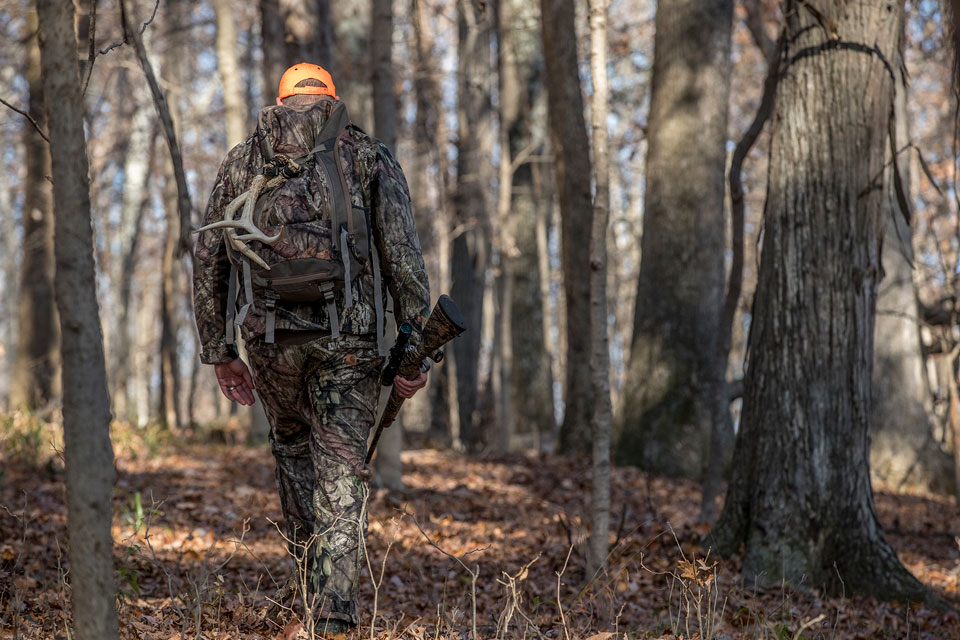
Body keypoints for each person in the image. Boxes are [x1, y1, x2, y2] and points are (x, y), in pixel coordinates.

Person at [193, 63, 430, 635]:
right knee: (342, 473)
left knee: (295, 454)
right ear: (331, 100)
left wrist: (219, 350)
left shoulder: (241, 160)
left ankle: (307, 595)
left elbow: (209, 258)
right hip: (348, 342)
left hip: (270, 342)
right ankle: (336, 617)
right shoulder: (368, 156)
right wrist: (415, 344)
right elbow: (402, 257)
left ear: (279, 100)